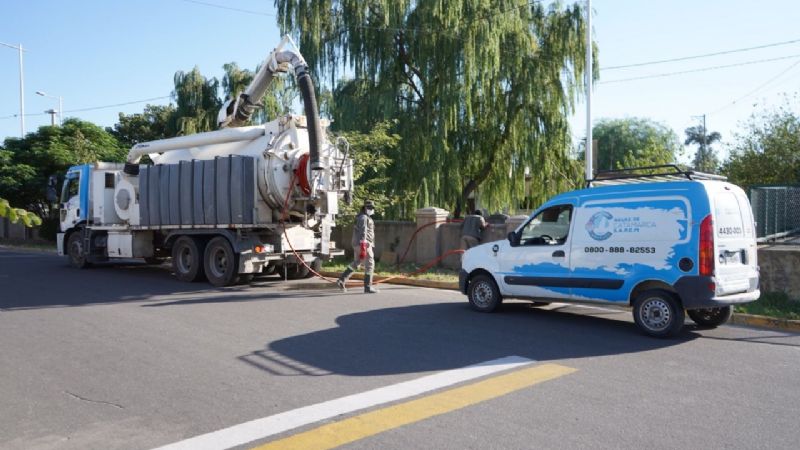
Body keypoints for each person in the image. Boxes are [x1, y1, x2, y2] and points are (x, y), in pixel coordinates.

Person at [337, 200, 379, 294]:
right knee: (370, 263)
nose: (371, 210)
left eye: (372, 208)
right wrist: (363, 245)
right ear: (365, 208)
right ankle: (368, 287)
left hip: (358, 243)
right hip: (364, 244)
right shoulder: (364, 217)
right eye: (370, 208)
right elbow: (363, 231)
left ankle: (342, 280)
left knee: (357, 262)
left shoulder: (362, 217)